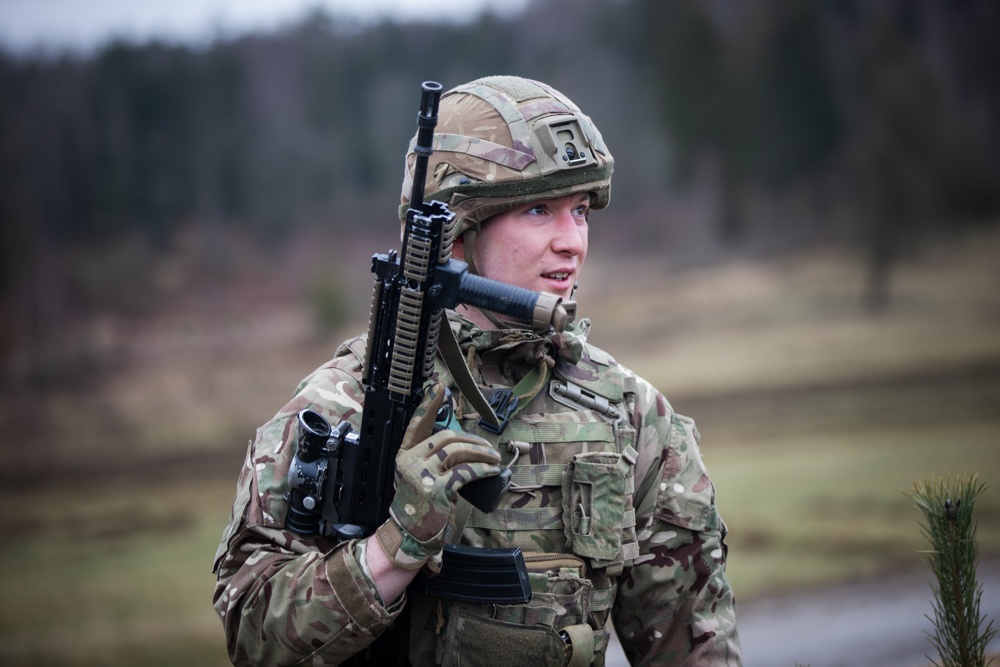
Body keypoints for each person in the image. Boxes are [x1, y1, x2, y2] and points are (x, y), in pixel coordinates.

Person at [213, 75, 742, 666]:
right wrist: (392, 551)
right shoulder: (342, 405)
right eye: (540, 210)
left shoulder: (632, 418)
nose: (573, 242)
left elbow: (696, 651)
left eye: (581, 211)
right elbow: (253, 636)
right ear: (459, 237)